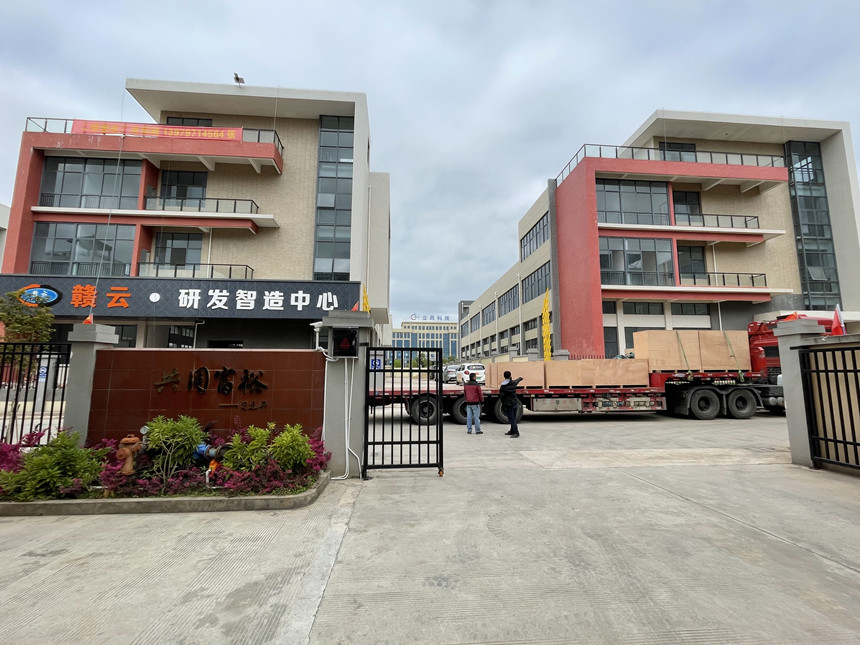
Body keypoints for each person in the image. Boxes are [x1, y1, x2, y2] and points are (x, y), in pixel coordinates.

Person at [499, 370, 523, 437]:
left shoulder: (503, 386)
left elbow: (501, 396)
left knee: (511, 419)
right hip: (514, 403)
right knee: (513, 418)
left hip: (508, 404)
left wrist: (503, 404)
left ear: (504, 376)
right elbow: (517, 381)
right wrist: (520, 378)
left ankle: (516, 432)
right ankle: (512, 431)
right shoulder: (513, 383)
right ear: (510, 376)